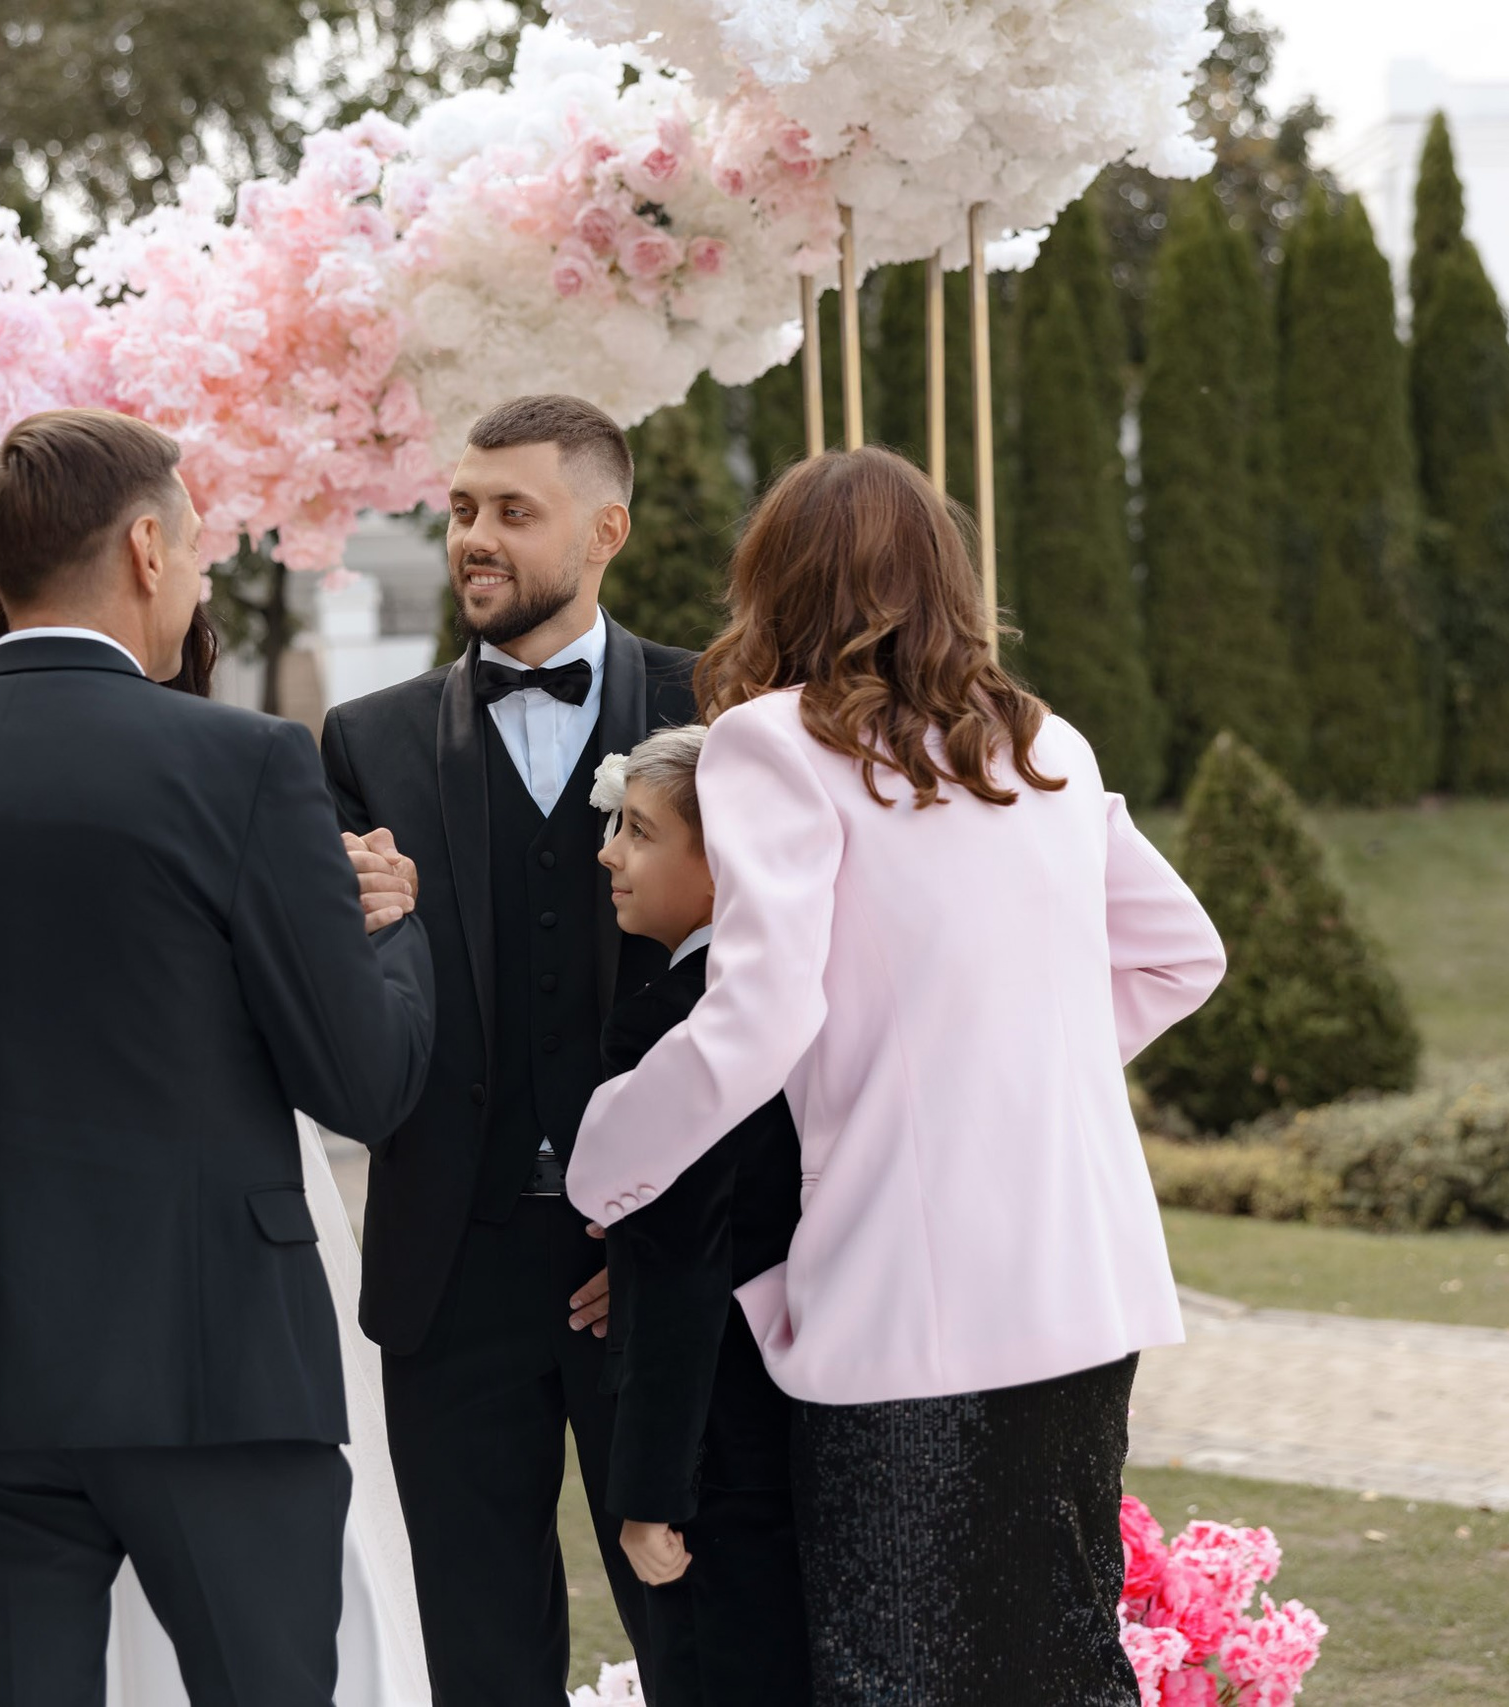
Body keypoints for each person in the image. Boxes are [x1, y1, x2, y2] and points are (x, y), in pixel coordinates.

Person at [0, 407, 437, 1707]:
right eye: (194, 546)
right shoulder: (243, 764)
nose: (196, 574)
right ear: (148, 545)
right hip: (219, 1363)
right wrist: (396, 932)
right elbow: (360, 1080)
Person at [568, 446, 1228, 1706]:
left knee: (897, 1671)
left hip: (908, 1310)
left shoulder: (771, 743)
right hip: (1082, 1291)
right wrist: (1012, 1065)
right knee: (1055, 1664)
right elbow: (1178, 956)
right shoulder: (1044, 743)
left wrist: (607, 1161)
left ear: (775, 585)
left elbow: (758, 1013)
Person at [319, 394, 695, 1703]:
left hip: (661, 1272)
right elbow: (353, 1003)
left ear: (607, 529)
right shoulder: (364, 743)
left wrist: (663, 1228)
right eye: (464, 509)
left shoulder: (716, 708)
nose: (475, 536)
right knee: (478, 1654)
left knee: (699, 1630)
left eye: (512, 512)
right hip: (451, 1268)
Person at [587, 726, 809, 1707]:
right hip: (797, 1421)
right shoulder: (804, 1002)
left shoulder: (675, 1022)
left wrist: (647, 1496)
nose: (608, 853)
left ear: (721, 872)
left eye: (637, 831)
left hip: (716, 1457)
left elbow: (683, 1266)